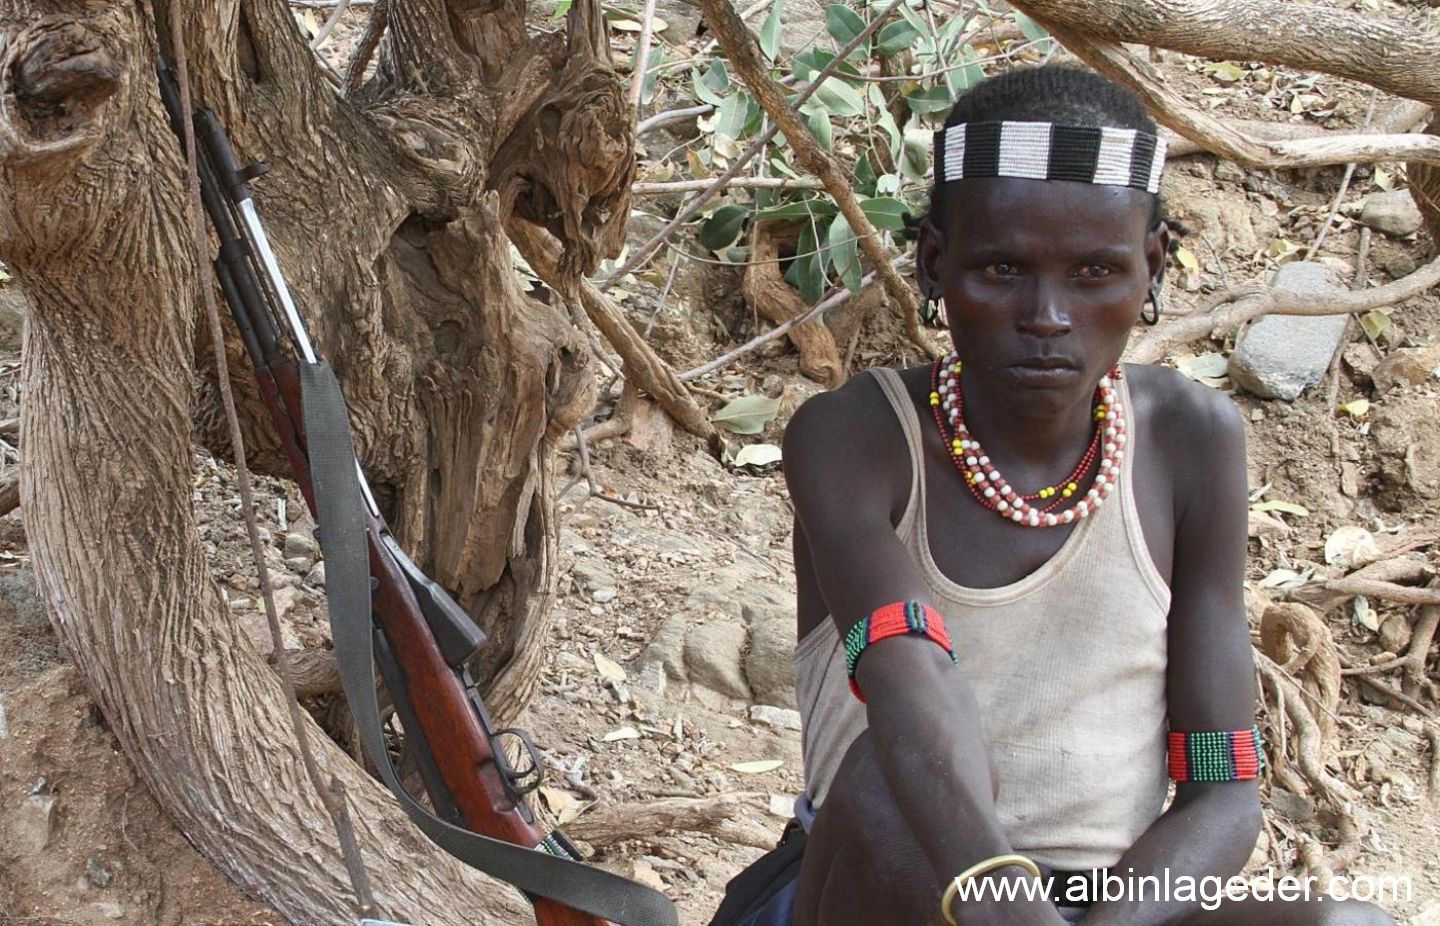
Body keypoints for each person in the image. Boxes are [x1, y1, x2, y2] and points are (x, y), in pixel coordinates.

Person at [709, 65, 1396, 926]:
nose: (1047, 315)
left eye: (1095, 272)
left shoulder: (1192, 440)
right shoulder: (856, 436)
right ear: (934, 264)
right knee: (889, 772)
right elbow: (913, 689)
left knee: (1349, 925)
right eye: (1003, 268)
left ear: (1152, 268)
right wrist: (1007, 902)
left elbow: (1223, 790)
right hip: (881, 885)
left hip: (1110, 907)